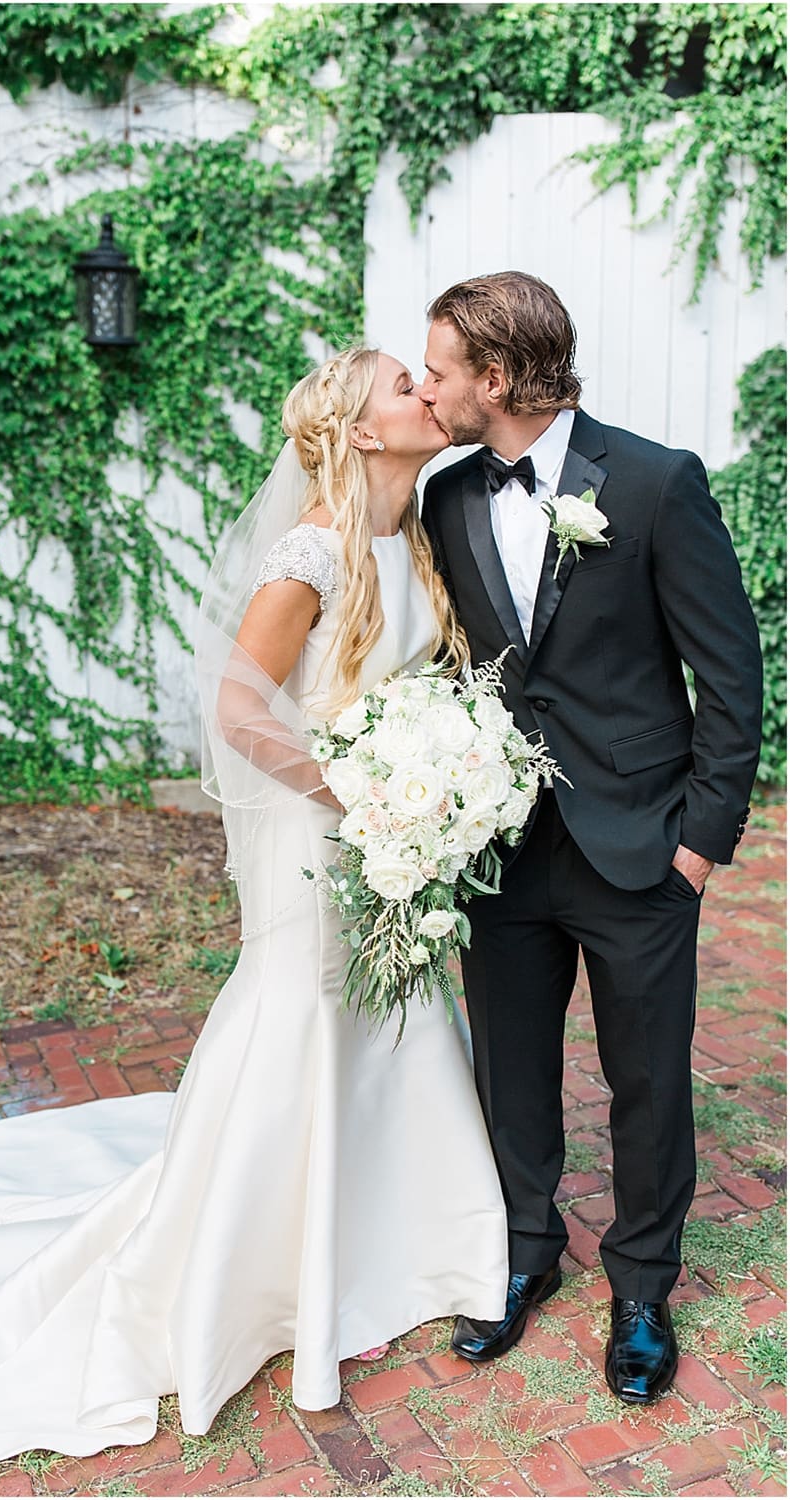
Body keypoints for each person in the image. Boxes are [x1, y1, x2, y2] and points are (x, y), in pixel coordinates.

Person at [0, 347, 509, 1462]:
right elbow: (236, 707)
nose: (429, 393)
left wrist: (429, 784)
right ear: (362, 430)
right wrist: (356, 793)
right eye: (405, 387)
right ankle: (252, 1261)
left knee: (399, 1012)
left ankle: (399, 1238)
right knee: (306, 1013)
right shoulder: (311, 550)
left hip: (388, 829)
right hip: (319, 834)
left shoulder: (408, 536)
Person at [416, 271, 763, 1405]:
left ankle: (641, 1286)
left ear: (498, 377)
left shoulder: (656, 484)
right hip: (500, 842)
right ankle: (525, 1252)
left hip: (638, 843)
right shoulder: (447, 496)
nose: (430, 392)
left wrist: (697, 845)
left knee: (647, 1078)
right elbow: (465, 664)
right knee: (506, 1066)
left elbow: (729, 674)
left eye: (440, 371)